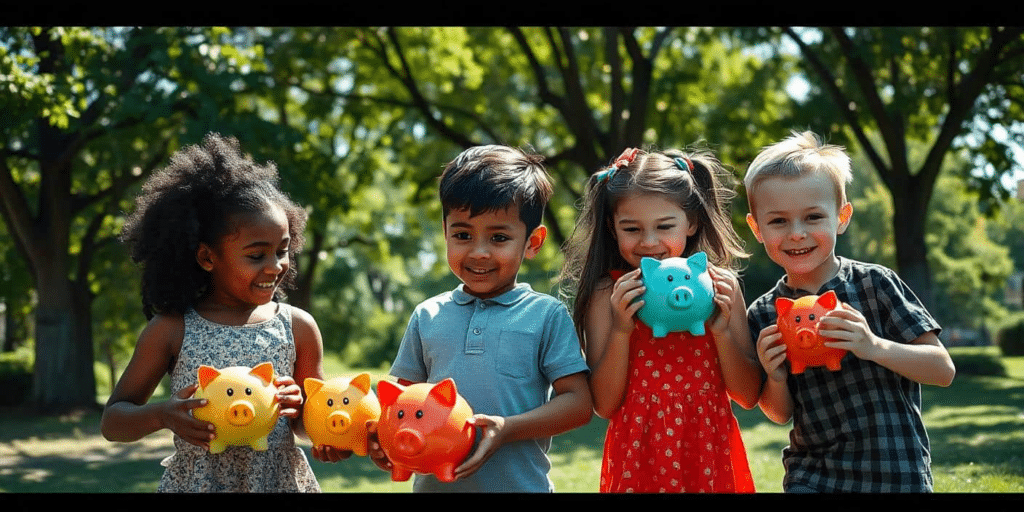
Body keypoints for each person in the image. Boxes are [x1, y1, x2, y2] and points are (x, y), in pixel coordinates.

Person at [101, 133, 327, 492]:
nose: (275, 266)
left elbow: (307, 427)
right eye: (256, 255)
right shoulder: (173, 328)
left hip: (276, 482)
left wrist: (303, 411)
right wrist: (163, 415)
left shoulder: (297, 326)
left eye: (282, 250)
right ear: (208, 257)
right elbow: (113, 420)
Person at [744, 131, 956, 492]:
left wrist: (873, 345)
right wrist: (775, 377)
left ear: (841, 217)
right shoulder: (765, 313)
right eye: (778, 221)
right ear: (757, 228)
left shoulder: (875, 284)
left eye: (813, 217)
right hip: (813, 474)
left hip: (895, 468)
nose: (797, 234)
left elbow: (942, 370)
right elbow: (780, 414)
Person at [380, 145, 593, 492]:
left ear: (532, 242)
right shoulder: (427, 316)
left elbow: (578, 404)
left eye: (499, 237)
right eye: (463, 235)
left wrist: (507, 428)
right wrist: (379, 439)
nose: (479, 252)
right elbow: (397, 405)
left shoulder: (545, 315)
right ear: (445, 232)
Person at [559, 147, 760, 493]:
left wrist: (723, 332)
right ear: (612, 228)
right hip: (639, 456)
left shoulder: (720, 288)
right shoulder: (608, 294)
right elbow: (604, 405)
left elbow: (747, 394)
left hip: (709, 451)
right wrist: (622, 329)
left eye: (665, 225)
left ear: (692, 221)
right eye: (632, 228)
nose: (649, 242)